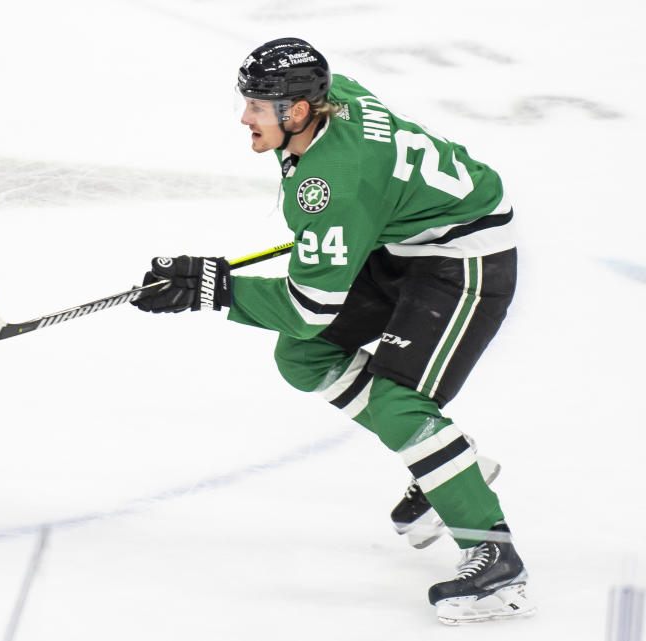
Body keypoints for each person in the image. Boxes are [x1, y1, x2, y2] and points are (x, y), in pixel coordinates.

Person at [131, 37, 535, 624]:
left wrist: (211, 289)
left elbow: (309, 306)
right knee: (303, 356)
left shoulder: (331, 187)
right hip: (405, 241)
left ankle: (496, 561)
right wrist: (351, 228)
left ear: (297, 110)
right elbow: (313, 318)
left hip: (466, 258)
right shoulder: (329, 100)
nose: (244, 116)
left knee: (399, 401)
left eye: (257, 106)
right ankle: (447, 463)